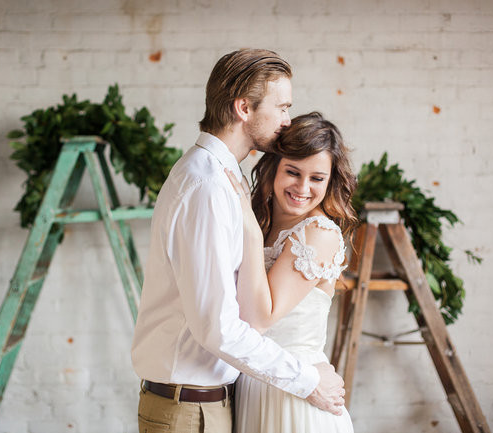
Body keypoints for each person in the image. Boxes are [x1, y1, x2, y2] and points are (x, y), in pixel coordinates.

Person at [131, 49, 346, 433]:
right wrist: (308, 380)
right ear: (244, 108)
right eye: (282, 107)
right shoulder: (209, 187)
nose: (287, 120)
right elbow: (219, 327)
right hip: (190, 407)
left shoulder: (225, 180)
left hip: (223, 400)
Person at [226, 112, 358, 432]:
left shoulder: (319, 233)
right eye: (293, 172)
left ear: (330, 182)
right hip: (254, 388)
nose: (302, 187)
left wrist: (252, 234)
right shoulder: (262, 223)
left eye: (317, 178)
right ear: (273, 169)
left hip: (297, 397)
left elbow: (259, 318)